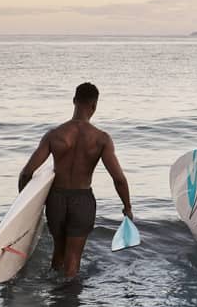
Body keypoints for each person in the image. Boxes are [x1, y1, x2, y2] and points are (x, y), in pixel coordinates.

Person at [18, 82, 133, 279]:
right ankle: (69, 304)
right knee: (73, 260)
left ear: (73, 101)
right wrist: (127, 207)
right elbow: (119, 179)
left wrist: (26, 207)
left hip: (56, 200)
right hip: (82, 201)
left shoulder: (54, 135)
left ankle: (54, 297)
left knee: (58, 253)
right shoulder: (101, 139)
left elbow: (26, 173)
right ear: (94, 106)